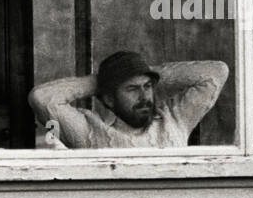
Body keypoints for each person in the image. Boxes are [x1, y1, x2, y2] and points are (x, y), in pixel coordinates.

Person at [27, 51, 228, 149]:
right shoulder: (89, 133)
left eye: (148, 87)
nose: (144, 97)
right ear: (109, 99)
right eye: (132, 89)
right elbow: (42, 98)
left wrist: (146, 73)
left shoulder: (175, 119)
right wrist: (103, 81)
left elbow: (216, 72)